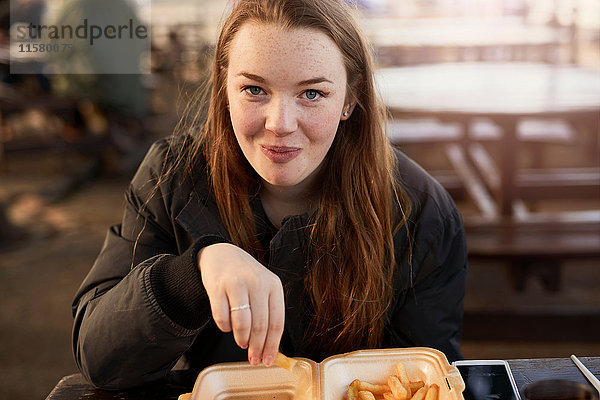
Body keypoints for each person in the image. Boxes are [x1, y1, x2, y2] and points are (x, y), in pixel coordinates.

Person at [72, 0, 467, 390]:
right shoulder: (171, 176)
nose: (279, 124)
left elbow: (425, 379)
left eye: (312, 94)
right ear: (224, 87)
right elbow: (99, 358)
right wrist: (191, 274)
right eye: (254, 89)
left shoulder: (421, 212)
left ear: (350, 98)